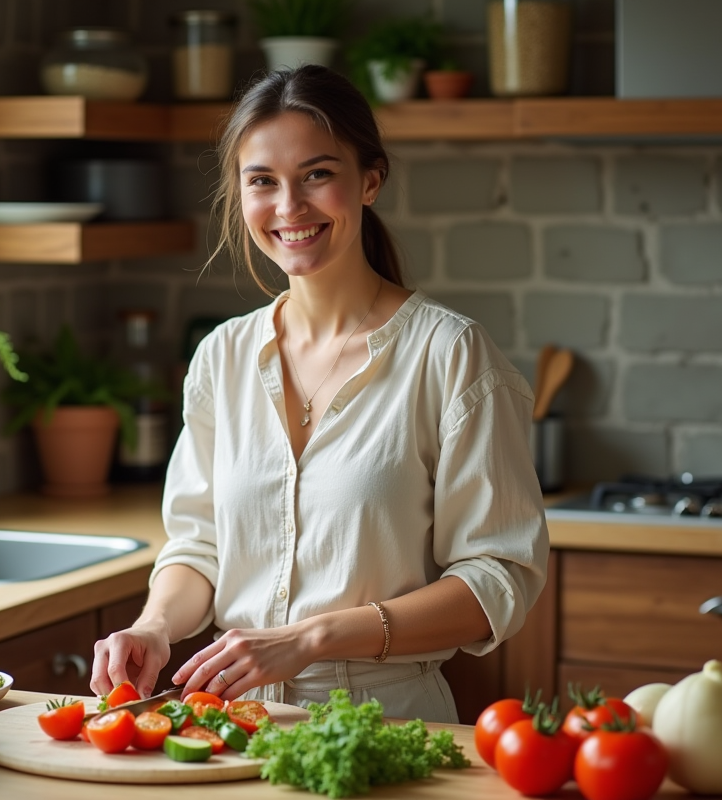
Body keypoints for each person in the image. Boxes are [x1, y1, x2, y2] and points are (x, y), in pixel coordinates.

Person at [89, 65, 548, 723]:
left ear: (370, 181)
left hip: (386, 725)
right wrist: (154, 626)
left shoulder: (450, 355)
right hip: (236, 725)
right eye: (262, 181)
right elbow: (199, 548)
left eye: (317, 175)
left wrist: (313, 638)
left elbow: (497, 578)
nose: (288, 207)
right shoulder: (222, 356)